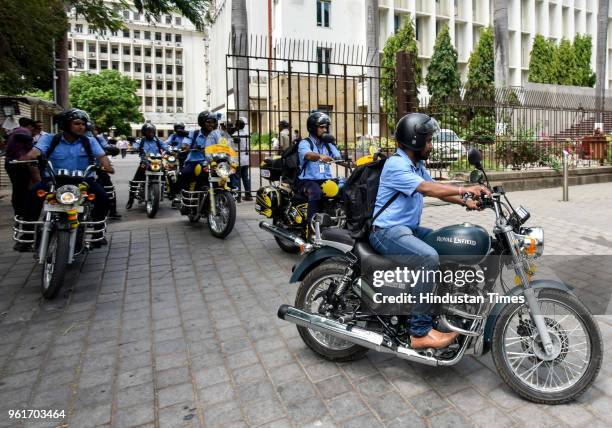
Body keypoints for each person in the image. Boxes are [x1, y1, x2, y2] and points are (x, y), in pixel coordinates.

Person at [369, 113, 490, 350]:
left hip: (408, 229)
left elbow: (435, 190)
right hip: (385, 231)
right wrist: (465, 189)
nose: (432, 145)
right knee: (428, 257)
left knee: (445, 242)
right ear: (415, 140)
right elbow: (427, 188)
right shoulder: (396, 164)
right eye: (429, 140)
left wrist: (465, 200)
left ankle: (441, 304)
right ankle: (420, 331)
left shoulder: (417, 164)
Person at [19, 109, 113, 248]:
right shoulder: (50, 139)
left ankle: (97, 235)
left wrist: (107, 166)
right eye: (77, 123)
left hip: (84, 181)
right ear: (65, 124)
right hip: (53, 181)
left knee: (104, 199)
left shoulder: (89, 141)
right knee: (32, 196)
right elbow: (35, 152)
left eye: (83, 124)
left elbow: (101, 157)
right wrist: (25, 159)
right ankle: (26, 235)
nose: (81, 127)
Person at [296, 111, 342, 228]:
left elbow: (338, 157)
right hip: (307, 181)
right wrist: (320, 156)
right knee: (316, 192)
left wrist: (356, 164)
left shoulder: (327, 144)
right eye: (321, 127)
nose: (325, 130)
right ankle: (311, 228)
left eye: (326, 127)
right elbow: (308, 155)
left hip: (325, 180)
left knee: (342, 188)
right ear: (312, 127)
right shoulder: (305, 143)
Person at [126, 123, 168, 209]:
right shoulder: (141, 141)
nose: (151, 133)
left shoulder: (158, 141)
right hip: (145, 163)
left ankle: (173, 196)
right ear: (144, 132)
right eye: (149, 131)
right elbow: (135, 146)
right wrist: (136, 148)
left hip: (157, 163)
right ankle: (130, 199)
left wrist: (171, 150)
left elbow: (166, 146)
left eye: (152, 131)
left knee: (168, 177)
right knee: (135, 181)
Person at [179, 111, 222, 192]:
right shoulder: (194, 133)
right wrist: (186, 146)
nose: (211, 124)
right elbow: (186, 144)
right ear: (202, 122)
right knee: (185, 173)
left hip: (211, 162)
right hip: (194, 161)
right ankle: (184, 195)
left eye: (213, 122)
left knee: (226, 173)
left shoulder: (216, 135)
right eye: (208, 122)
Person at [4, 118, 35, 222]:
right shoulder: (24, 131)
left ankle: (19, 212)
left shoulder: (14, 131)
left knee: (18, 189)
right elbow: (31, 149)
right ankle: (21, 212)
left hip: (10, 163)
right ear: (30, 126)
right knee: (22, 189)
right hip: (19, 164)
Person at [91, 126, 122, 220]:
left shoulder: (94, 140)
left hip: (97, 168)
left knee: (108, 188)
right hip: (74, 173)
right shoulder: (58, 140)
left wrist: (107, 165)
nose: (81, 127)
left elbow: (104, 150)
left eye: (92, 129)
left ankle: (112, 211)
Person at [232, 117, 252, 202]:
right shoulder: (247, 134)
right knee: (245, 177)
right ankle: (248, 195)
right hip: (246, 158)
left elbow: (231, 147)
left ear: (237, 126)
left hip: (237, 158)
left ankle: (237, 196)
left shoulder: (235, 135)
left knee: (236, 178)